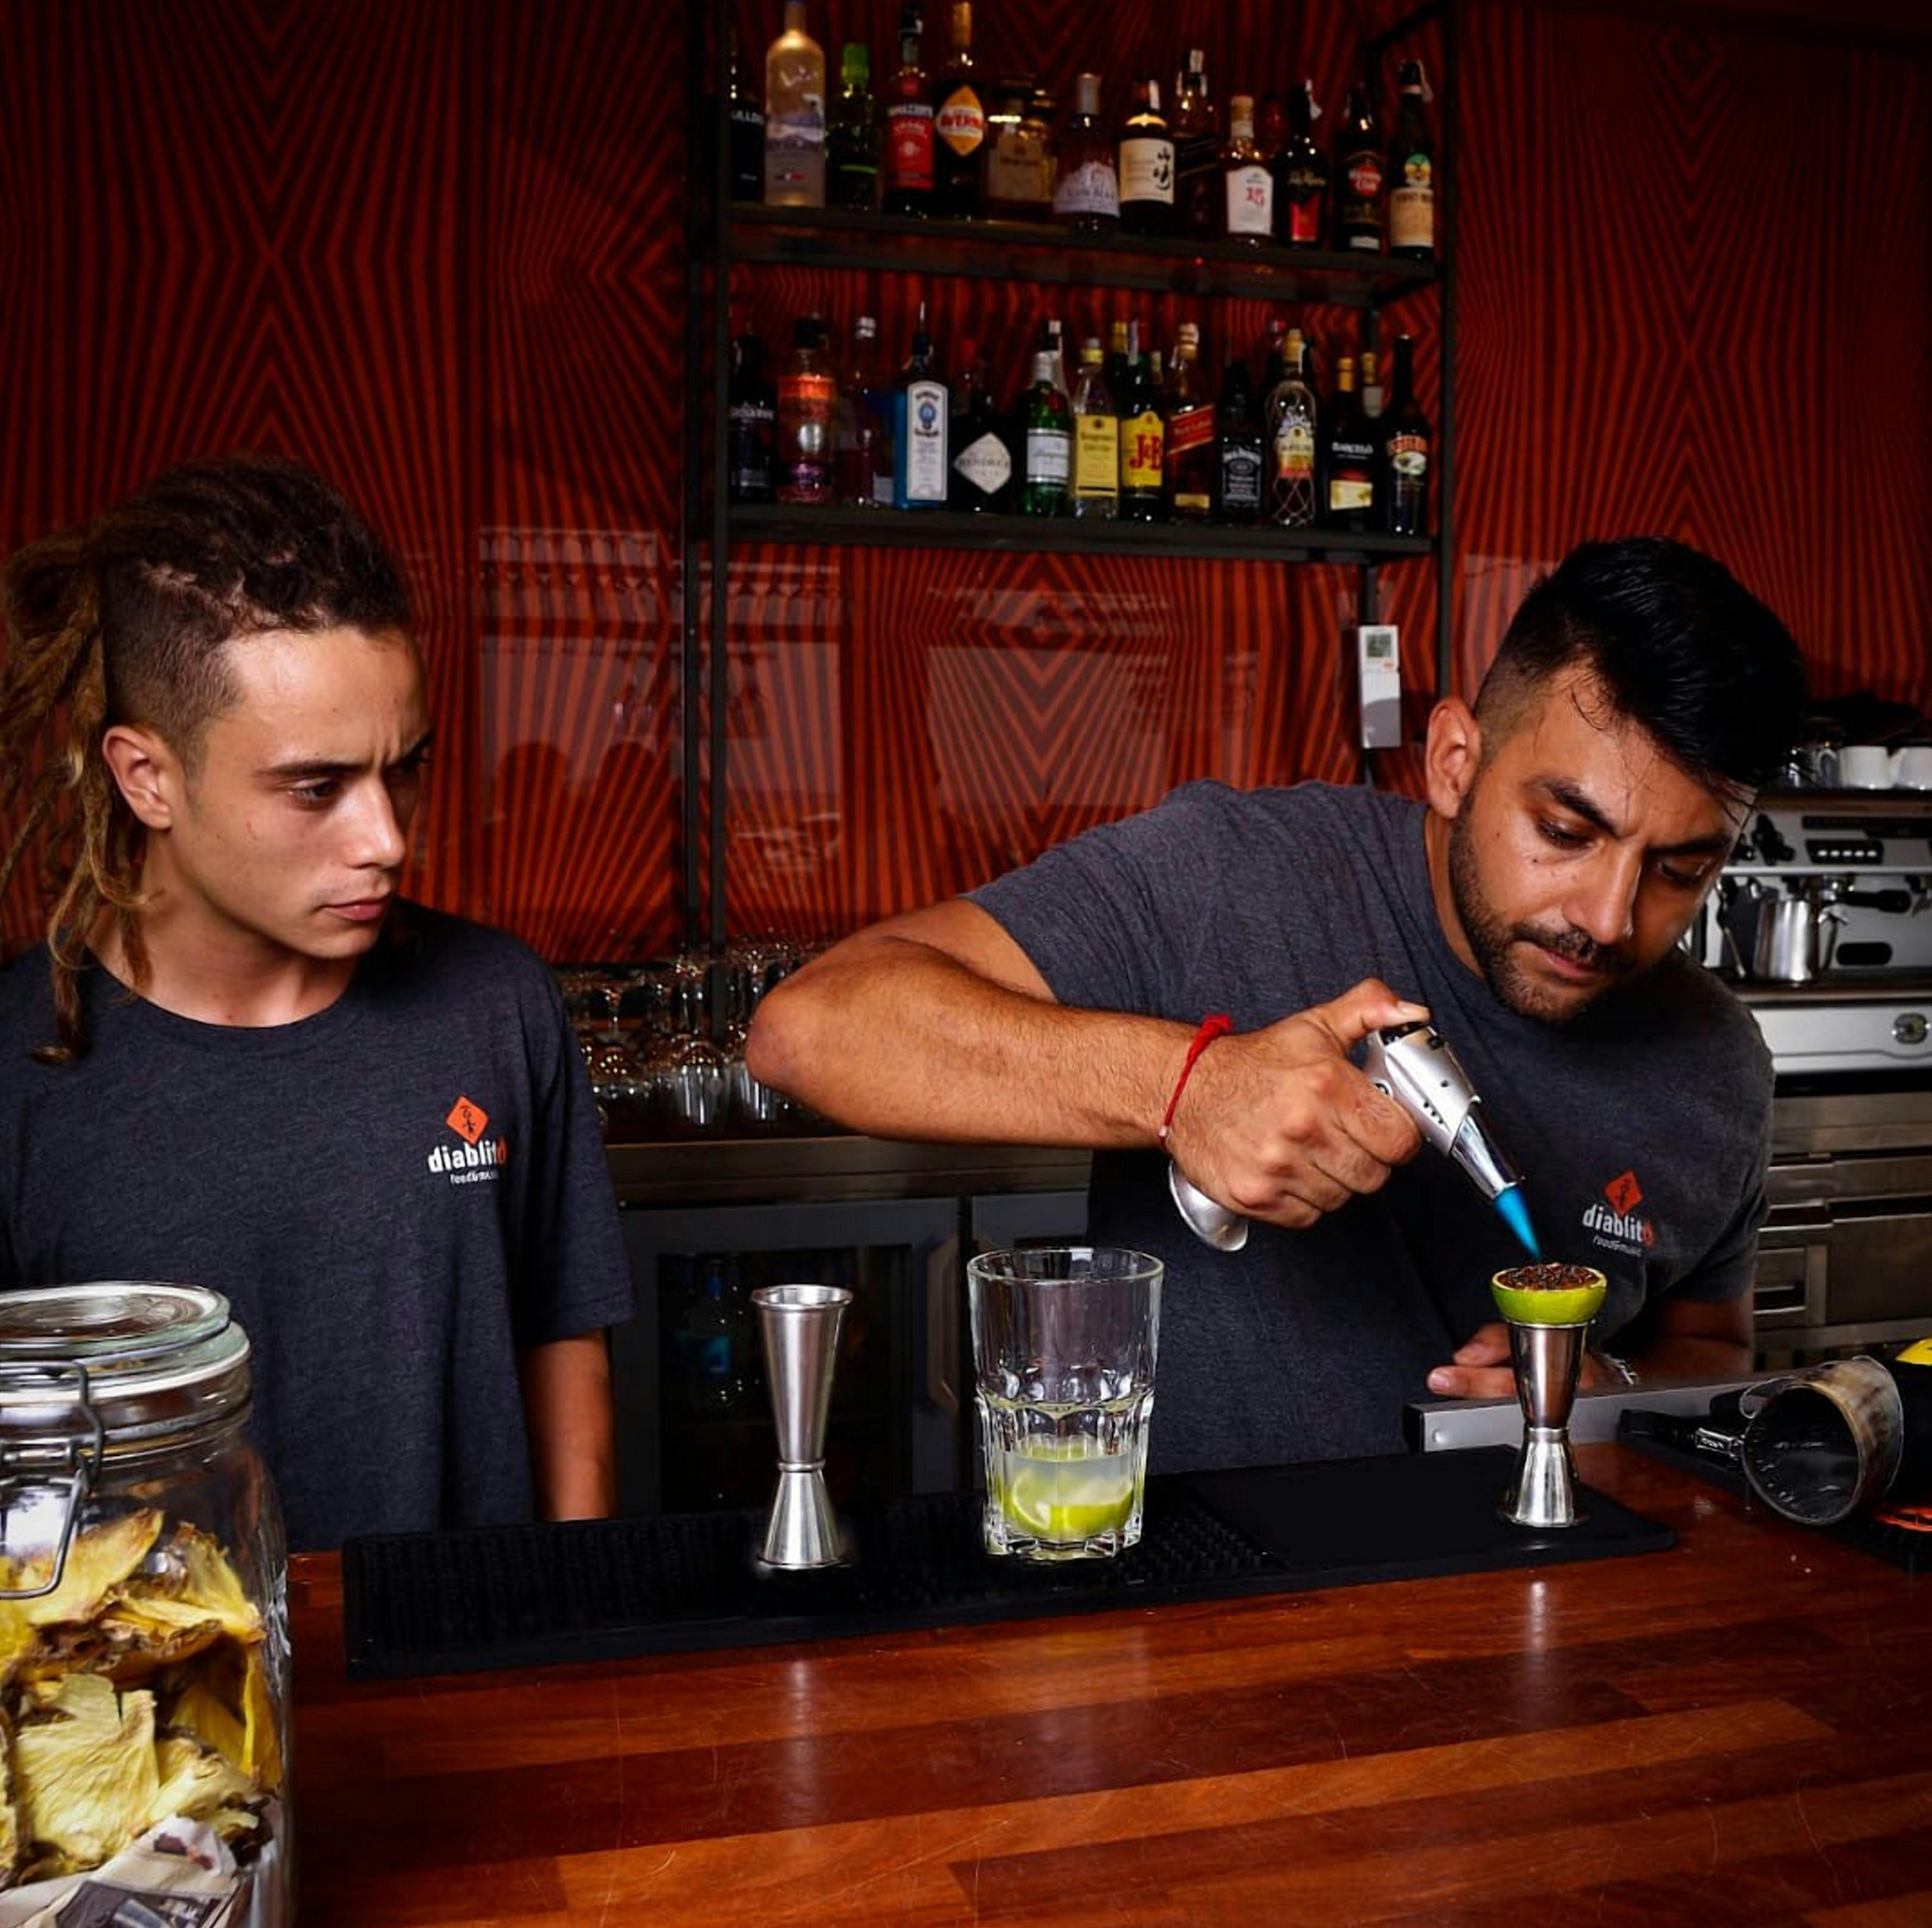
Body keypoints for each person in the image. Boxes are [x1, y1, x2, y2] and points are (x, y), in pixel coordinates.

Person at [746, 537, 1807, 1476]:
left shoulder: (1715, 1065)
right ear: (1454, 760)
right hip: (1205, 1626)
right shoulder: (1230, 875)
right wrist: (1186, 1086)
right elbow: (814, 1026)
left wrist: (1608, 1385)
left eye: (1679, 868)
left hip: (1552, 1629)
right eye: (1567, 830)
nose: (1611, 917)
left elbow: (1710, 1350)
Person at [0, 455, 633, 1548]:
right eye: (316, 786)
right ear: (147, 776)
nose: (386, 838)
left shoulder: (496, 1005)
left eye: (404, 770)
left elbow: (562, 1345)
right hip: (151, 1704)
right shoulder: (16, 1060)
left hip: (466, 1679)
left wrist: (567, 1623)